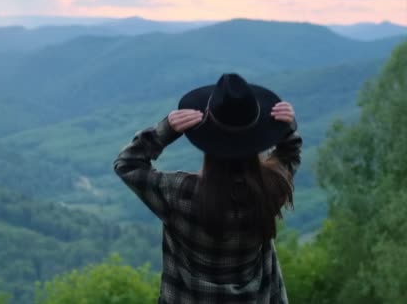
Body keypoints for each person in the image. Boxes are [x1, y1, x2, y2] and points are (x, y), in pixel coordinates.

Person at [113, 73, 302, 304]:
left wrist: (166, 129)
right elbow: (290, 154)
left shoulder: (179, 194)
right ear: (257, 137)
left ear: (207, 138)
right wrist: (286, 127)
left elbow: (127, 163)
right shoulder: (271, 189)